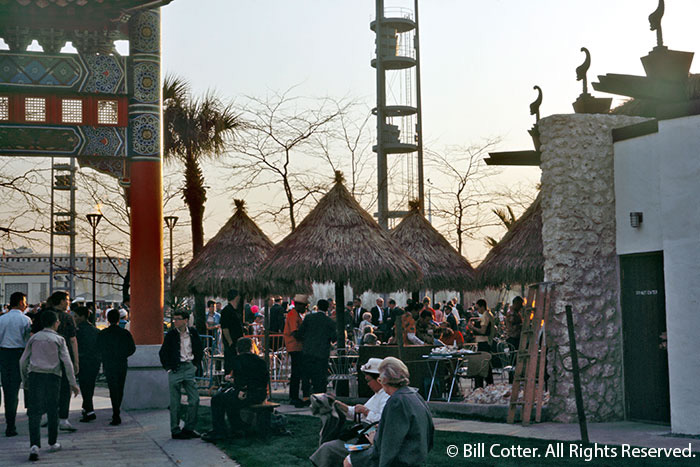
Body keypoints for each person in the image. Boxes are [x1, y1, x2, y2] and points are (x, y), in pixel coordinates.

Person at [345, 357, 434, 467]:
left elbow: (390, 443)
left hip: (401, 459)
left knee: (349, 461)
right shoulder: (415, 395)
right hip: (416, 455)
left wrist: (375, 440)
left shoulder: (396, 402)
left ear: (383, 380)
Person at [20, 310, 80, 461]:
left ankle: (34, 445)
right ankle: (52, 442)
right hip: (53, 377)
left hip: (35, 376)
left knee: (34, 412)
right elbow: (67, 362)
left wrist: (25, 380)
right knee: (53, 409)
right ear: (55, 323)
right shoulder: (59, 340)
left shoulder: (34, 339)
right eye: (58, 321)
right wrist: (73, 383)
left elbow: (22, 361)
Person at [310, 358, 390, 467]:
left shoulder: (386, 397)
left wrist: (365, 411)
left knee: (327, 447)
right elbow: (356, 413)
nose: (367, 384)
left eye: (368, 380)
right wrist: (339, 404)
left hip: (367, 439)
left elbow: (383, 420)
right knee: (329, 442)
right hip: (362, 435)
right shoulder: (378, 395)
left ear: (379, 379)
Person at [202, 337, 269, 442]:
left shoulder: (238, 360)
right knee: (229, 400)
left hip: (246, 393)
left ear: (238, 349)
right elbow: (263, 379)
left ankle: (220, 430)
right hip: (259, 393)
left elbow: (240, 380)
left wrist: (232, 381)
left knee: (217, 400)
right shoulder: (260, 361)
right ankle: (237, 427)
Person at [33, 291, 79, 433]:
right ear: (61, 301)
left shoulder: (42, 314)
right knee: (65, 387)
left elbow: (32, 334)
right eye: (66, 300)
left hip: (43, 356)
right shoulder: (67, 318)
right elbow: (73, 339)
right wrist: (76, 361)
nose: (68, 302)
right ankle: (63, 418)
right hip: (63, 355)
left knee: (47, 387)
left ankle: (46, 414)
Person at [159, 309, 203, 439]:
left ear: (185, 320)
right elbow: (163, 353)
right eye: (174, 319)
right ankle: (175, 429)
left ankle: (189, 428)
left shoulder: (193, 333)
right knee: (175, 401)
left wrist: (195, 365)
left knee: (194, 399)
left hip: (189, 366)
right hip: (176, 369)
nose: (175, 321)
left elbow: (199, 349)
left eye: (178, 319)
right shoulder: (171, 335)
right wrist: (168, 368)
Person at [0, 291, 32, 437]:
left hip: (4, 354)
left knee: (8, 390)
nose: (26, 305)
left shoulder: (2, 319)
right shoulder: (26, 320)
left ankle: (9, 424)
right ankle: (18, 421)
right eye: (25, 302)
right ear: (20, 302)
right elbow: (28, 339)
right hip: (20, 355)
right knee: (22, 387)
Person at [97, 309, 136, 425]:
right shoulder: (125, 333)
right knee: (120, 387)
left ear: (108, 319)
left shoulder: (103, 334)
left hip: (109, 363)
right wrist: (123, 354)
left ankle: (115, 411)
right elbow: (132, 349)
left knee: (112, 387)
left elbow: (98, 348)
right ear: (119, 319)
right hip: (121, 363)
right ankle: (117, 410)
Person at [296, 299, 337, 394]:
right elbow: (334, 338)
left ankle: (306, 395)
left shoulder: (309, 318)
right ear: (327, 308)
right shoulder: (330, 322)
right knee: (320, 376)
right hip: (322, 353)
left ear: (317, 307)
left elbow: (300, 333)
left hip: (308, 351)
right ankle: (320, 396)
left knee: (307, 374)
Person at [74, 306, 100, 423]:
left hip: (83, 361)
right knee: (90, 386)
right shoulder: (95, 330)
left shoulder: (77, 331)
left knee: (85, 386)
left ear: (82, 317)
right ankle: (87, 409)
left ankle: (89, 411)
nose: (74, 318)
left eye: (76, 316)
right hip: (94, 362)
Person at [284, 295, 310, 407]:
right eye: (305, 306)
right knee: (296, 373)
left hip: (296, 347)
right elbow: (295, 332)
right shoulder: (293, 315)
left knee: (297, 372)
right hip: (294, 347)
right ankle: (294, 397)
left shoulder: (295, 314)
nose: (305, 308)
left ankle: (294, 396)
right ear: (299, 305)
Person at [468, 299, 495, 388]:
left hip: (483, 341)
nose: (477, 310)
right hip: (486, 341)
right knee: (485, 364)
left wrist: (473, 328)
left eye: (478, 308)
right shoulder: (489, 315)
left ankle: (483, 385)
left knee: (482, 364)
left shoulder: (485, 316)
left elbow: (483, 331)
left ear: (482, 307)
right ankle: (489, 383)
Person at [220, 289, 244, 374]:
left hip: (237, 340)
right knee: (230, 361)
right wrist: (230, 342)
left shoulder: (235, 310)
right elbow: (225, 328)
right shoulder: (226, 311)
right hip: (232, 342)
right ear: (236, 297)